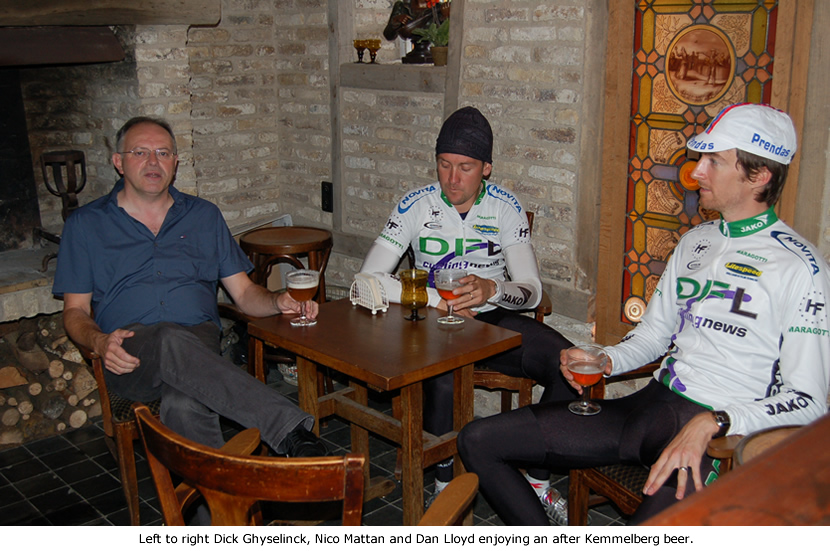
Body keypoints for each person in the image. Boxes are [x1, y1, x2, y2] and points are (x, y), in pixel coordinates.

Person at [458, 102, 830, 525]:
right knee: (479, 440)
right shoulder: (696, 242)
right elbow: (653, 336)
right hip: (652, 406)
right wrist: (606, 359)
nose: (696, 171)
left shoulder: (802, 269)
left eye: (714, 161)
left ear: (759, 176)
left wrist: (718, 420)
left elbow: (809, 403)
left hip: (717, 435)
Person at [53, 116, 327, 461]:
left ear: (175, 162)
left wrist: (278, 300)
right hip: (129, 353)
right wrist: (98, 341)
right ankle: (289, 430)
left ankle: (221, 511)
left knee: (184, 405)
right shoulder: (85, 225)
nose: (153, 162)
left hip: (198, 344)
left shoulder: (204, 216)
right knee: (167, 336)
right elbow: (75, 312)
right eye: (140, 152)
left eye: (163, 153)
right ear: (118, 162)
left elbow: (243, 294)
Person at [360, 106, 575, 520]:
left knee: (568, 364)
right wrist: (436, 302)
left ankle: (537, 480)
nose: (452, 180)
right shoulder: (416, 205)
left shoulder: (505, 207)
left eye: (465, 167)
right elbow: (369, 276)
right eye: (444, 165)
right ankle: (444, 485)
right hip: (435, 320)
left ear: (487, 168)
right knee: (441, 378)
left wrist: (493, 289)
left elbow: (532, 292)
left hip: (492, 320)